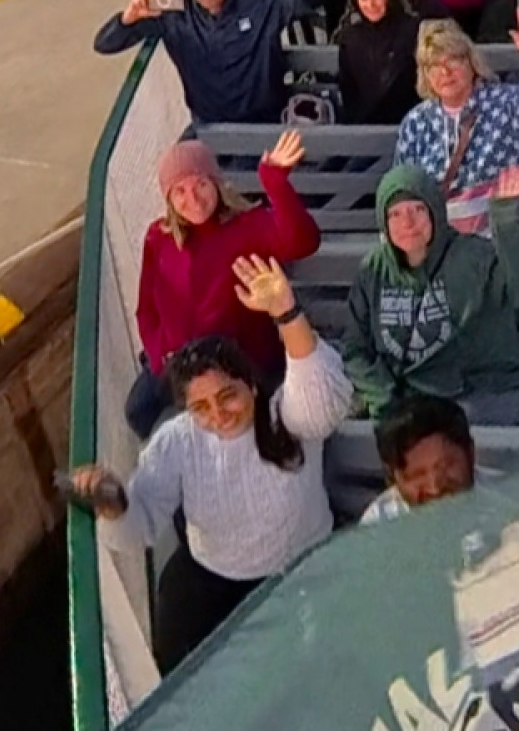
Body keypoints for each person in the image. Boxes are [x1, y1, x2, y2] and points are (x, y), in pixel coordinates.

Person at [67, 255, 352, 673]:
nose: (218, 415)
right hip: (213, 581)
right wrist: (111, 502)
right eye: (200, 407)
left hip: (302, 571)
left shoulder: (285, 413)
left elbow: (325, 404)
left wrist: (286, 313)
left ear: (252, 384)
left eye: (228, 396)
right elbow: (141, 524)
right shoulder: (178, 441)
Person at [131, 129, 322, 438]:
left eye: (201, 185)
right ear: (168, 199)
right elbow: (146, 309)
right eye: (179, 191)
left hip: (242, 367)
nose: (192, 199)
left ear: (217, 185)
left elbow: (304, 241)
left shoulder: (246, 226)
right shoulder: (158, 238)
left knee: (230, 427)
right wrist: (158, 355)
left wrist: (274, 182)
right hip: (181, 363)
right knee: (138, 411)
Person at [340, 163, 519, 426]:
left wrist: (508, 218)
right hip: (404, 399)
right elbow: (355, 349)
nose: (407, 223)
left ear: (435, 211)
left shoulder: (473, 257)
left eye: (418, 210)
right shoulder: (373, 270)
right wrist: (384, 399)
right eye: (395, 215)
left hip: (479, 393)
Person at [94, 0, 323, 125]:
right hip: (209, 128)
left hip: (267, 122)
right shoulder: (172, 14)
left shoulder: (260, 2)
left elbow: (312, 1)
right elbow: (104, 44)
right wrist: (129, 17)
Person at [395, 11, 519, 236]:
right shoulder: (415, 123)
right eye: (434, 66)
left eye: (454, 60)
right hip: (446, 251)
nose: (445, 72)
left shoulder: (508, 103)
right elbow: (401, 192)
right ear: (425, 75)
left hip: (509, 246)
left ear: (472, 63)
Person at [335, 0, 448, 125]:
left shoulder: (412, 27)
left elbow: (446, 27)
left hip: (413, 122)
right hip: (366, 129)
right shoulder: (349, 37)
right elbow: (348, 89)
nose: (370, 4)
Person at [360, 394, 477, 523]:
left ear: (470, 454)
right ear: (392, 479)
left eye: (444, 466)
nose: (435, 488)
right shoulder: (379, 522)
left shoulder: (500, 503)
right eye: (417, 475)